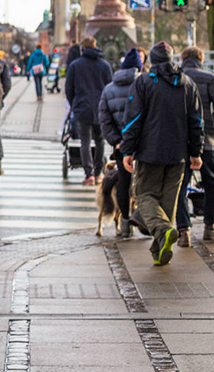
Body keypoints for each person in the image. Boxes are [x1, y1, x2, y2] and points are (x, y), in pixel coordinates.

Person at [120, 42, 203, 267]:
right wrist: (196, 152)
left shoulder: (144, 83)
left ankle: (165, 231)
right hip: (178, 153)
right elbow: (196, 122)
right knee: (168, 202)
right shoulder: (187, 84)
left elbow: (133, 119)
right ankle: (159, 251)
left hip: (149, 151)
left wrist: (127, 149)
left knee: (144, 194)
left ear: (152, 61)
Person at [175, 46, 214, 246]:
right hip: (206, 140)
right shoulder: (209, 78)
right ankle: (210, 227)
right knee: (211, 183)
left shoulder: (176, 78)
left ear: (183, 59)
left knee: (181, 186)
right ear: (201, 59)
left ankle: (183, 231)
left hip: (180, 141)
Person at [99, 48, 144, 237]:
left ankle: (125, 223)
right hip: (143, 144)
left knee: (123, 184)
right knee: (143, 183)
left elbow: (104, 119)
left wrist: (116, 141)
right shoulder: (144, 85)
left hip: (121, 147)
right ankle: (141, 218)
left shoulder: (109, 89)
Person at [65, 37, 113, 185]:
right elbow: (110, 87)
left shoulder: (75, 65)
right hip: (101, 108)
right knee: (100, 140)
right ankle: (99, 173)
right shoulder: (105, 65)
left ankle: (89, 174)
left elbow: (69, 88)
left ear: (83, 49)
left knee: (85, 141)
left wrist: (74, 103)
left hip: (82, 107)